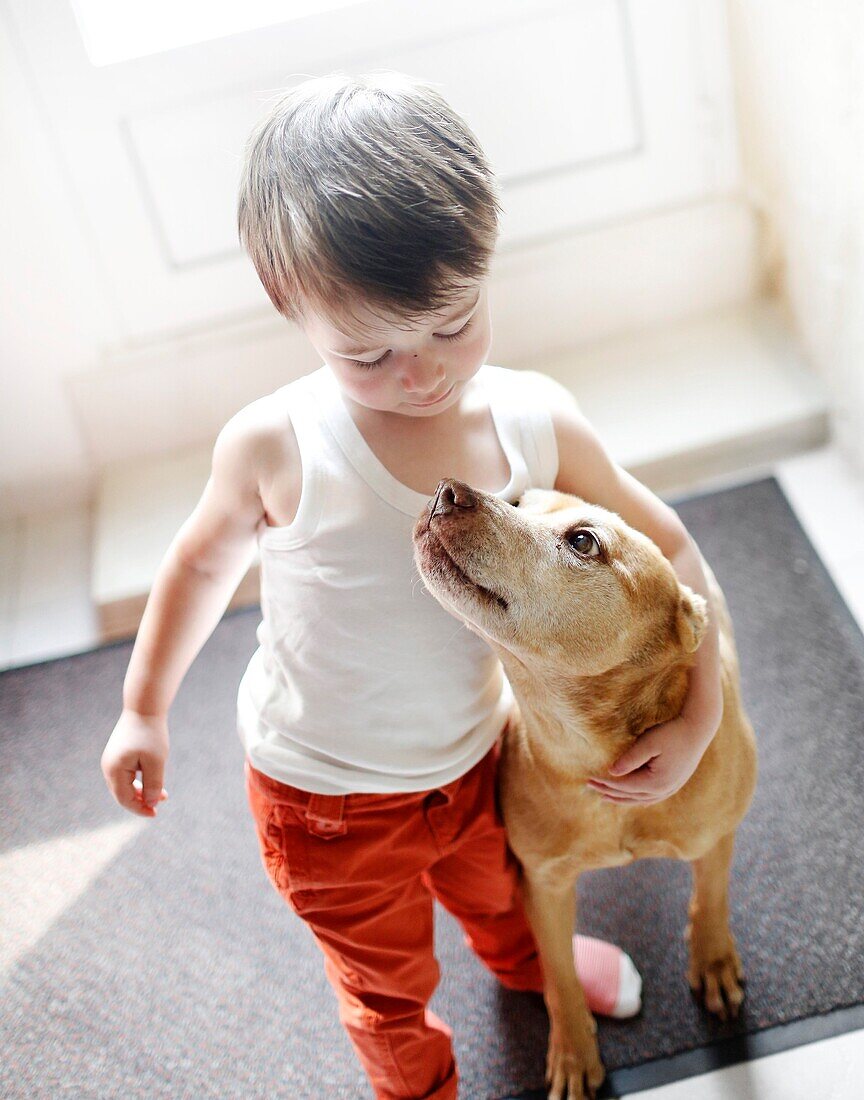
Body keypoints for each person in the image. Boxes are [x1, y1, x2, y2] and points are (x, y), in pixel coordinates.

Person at [101, 71, 724, 1099]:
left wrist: (699, 715)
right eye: (370, 352)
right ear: (287, 306)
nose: (423, 373)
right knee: (386, 976)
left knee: (504, 896)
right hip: (325, 799)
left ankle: (531, 965)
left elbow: (673, 554)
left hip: (479, 763)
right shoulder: (276, 444)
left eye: (451, 323)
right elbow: (197, 566)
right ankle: (418, 1080)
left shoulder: (533, 420)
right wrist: (141, 708)